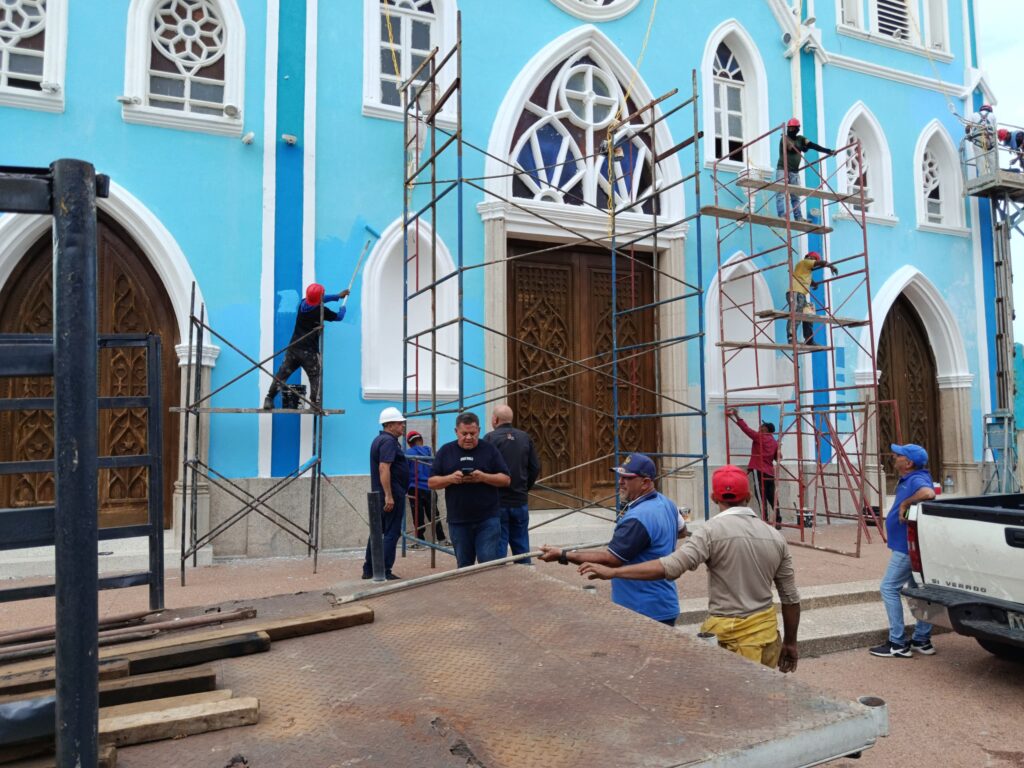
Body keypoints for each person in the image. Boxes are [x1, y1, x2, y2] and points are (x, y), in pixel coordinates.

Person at [579, 465, 800, 671]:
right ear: (749, 497)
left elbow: (670, 566)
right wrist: (790, 643)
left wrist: (614, 572)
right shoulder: (775, 537)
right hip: (767, 638)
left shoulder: (711, 531)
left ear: (713, 498)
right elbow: (790, 598)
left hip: (730, 642)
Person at [538, 453, 680, 626]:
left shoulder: (639, 518)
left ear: (645, 483)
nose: (620, 482)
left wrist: (563, 554)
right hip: (663, 603)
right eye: (620, 476)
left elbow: (611, 559)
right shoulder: (667, 503)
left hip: (642, 609)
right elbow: (682, 530)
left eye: (627, 478)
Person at [869, 443, 937, 658]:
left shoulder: (916, 479)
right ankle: (922, 640)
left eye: (898, 455)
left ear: (908, 463)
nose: (893, 456)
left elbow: (928, 493)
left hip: (906, 549)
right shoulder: (911, 478)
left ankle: (897, 643)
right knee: (919, 590)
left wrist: (904, 504)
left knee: (888, 588)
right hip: (909, 547)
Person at [429, 412, 511, 567]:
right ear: (456, 431)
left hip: (488, 519)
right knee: (464, 566)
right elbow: (431, 483)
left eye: (473, 434)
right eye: (464, 433)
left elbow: (506, 479)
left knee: (488, 565)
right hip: (458, 520)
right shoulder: (446, 451)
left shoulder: (490, 450)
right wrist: (450, 478)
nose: (468, 437)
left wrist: (483, 477)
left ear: (479, 430)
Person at [263, 283, 349, 409]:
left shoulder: (302, 304)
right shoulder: (321, 311)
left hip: (293, 348)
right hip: (309, 352)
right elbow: (339, 317)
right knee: (315, 376)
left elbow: (320, 299)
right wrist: (343, 307)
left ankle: (269, 398)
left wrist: (337, 296)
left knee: (282, 375)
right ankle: (314, 403)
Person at [483, 405, 541, 564]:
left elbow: (483, 468)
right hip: (519, 500)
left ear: (495, 419)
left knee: (498, 548)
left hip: (497, 501)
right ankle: (526, 574)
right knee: (522, 546)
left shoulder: (490, 438)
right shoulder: (525, 437)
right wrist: (524, 488)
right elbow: (535, 467)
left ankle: (499, 577)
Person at [361, 407, 409, 580]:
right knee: (391, 532)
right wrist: (389, 495)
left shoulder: (379, 440)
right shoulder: (388, 442)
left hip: (381, 494)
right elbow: (384, 467)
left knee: (377, 531)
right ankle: (384, 570)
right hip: (390, 495)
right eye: (399, 423)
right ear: (389, 425)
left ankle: (369, 568)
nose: (403, 426)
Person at [726, 408, 780, 527]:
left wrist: (737, 416)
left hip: (759, 470)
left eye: (762, 426)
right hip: (770, 472)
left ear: (766, 429)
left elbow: (746, 429)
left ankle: (765, 521)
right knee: (772, 497)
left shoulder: (760, 437)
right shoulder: (774, 442)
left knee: (761, 496)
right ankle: (778, 520)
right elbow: (778, 457)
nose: (759, 427)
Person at [775, 117, 833, 221]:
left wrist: (827, 151)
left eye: (793, 128)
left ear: (797, 129)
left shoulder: (800, 139)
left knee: (795, 195)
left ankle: (798, 217)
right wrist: (804, 148)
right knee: (781, 192)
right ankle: (781, 215)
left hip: (794, 171)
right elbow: (793, 148)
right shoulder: (784, 138)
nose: (790, 130)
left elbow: (812, 145)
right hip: (783, 169)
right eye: (789, 128)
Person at [786, 251, 838, 346]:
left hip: (801, 294)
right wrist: (831, 266)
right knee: (796, 314)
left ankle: (809, 339)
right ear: (811, 258)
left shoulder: (805, 270)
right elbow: (821, 263)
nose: (814, 264)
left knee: (808, 315)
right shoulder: (805, 262)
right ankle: (791, 338)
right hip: (795, 292)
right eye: (815, 260)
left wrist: (814, 284)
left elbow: (808, 280)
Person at [405, 430, 446, 546]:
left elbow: (405, 472)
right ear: (421, 440)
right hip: (430, 487)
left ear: (409, 443)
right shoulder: (430, 452)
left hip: (415, 488)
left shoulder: (408, 454)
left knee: (418, 516)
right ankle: (442, 539)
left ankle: (420, 541)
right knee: (434, 515)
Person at [966, 104, 997, 176]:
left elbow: (967, 129)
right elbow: (995, 131)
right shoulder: (992, 115)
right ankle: (994, 176)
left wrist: (969, 136)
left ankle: (983, 177)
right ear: (990, 110)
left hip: (978, 141)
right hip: (990, 141)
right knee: (993, 163)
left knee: (981, 162)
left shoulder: (973, 115)